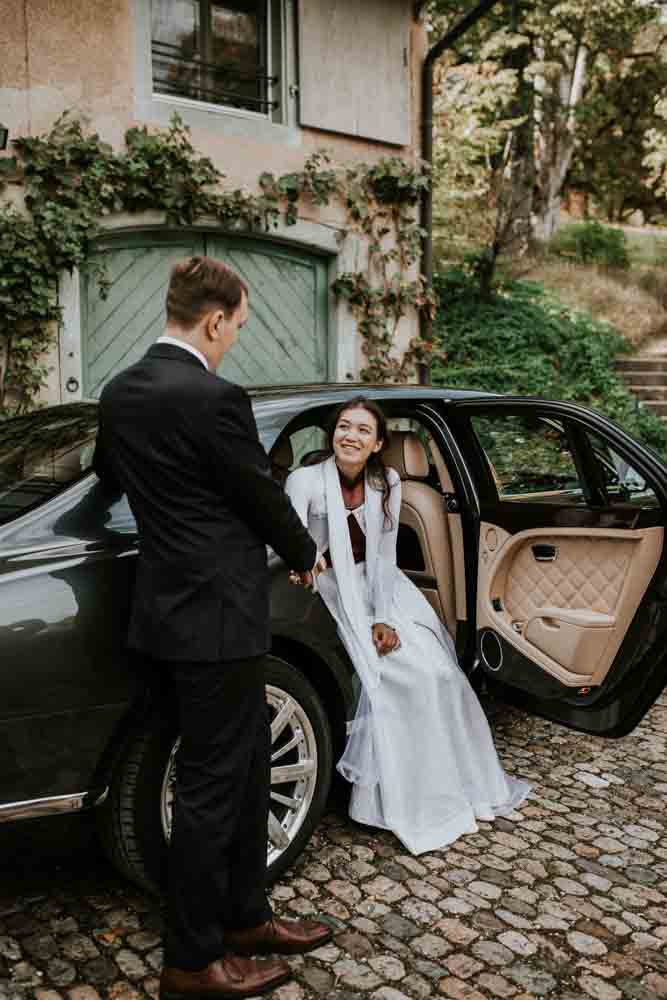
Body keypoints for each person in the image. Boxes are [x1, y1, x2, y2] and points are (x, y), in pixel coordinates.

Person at [93, 257, 331, 999]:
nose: (235, 339)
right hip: (220, 617)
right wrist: (305, 554)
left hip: (164, 610)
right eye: (238, 327)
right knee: (209, 788)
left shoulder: (119, 391)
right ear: (215, 320)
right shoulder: (215, 397)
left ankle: (246, 915)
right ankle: (192, 961)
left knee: (250, 761)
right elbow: (256, 490)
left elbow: (110, 475)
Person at [285, 396, 531, 856]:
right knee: (400, 679)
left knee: (441, 674)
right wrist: (310, 566)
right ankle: (389, 802)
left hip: (384, 587)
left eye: (362, 430)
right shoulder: (304, 480)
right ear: (332, 434)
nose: (350, 436)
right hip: (331, 587)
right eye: (344, 427)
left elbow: (385, 554)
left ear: (379, 443)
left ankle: (452, 788)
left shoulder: (389, 482)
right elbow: (294, 542)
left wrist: (382, 616)